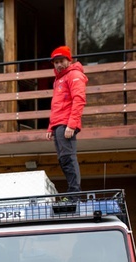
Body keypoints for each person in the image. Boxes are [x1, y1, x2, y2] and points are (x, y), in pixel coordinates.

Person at [45, 45, 88, 194]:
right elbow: (57, 105)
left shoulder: (74, 75)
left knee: (68, 158)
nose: (58, 64)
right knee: (63, 159)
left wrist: (72, 124)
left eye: (61, 61)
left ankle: (74, 193)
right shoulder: (58, 80)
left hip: (66, 124)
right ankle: (72, 191)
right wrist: (51, 127)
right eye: (55, 62)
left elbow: (79, 99)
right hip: (58, 124)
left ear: (68, 60)